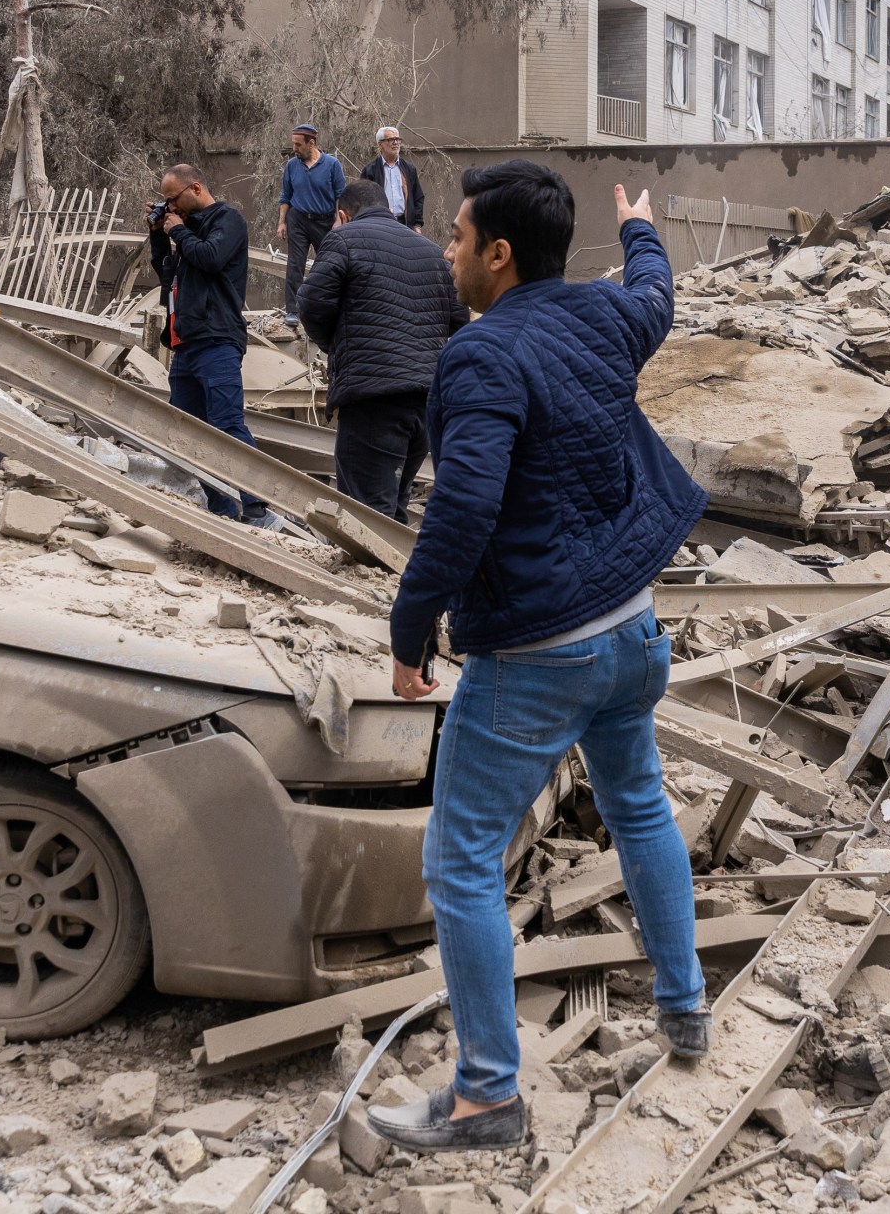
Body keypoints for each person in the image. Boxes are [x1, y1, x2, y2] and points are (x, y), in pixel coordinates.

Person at [367, 163, 709, 1155]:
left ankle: (486, 1098)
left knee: (461, 862)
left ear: (499, 255)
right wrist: (640, 229)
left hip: (541, 652)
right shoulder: (604, 316)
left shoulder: (480, 356)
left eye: (458, 236)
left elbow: (464, 507)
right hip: (634, 629)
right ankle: (685, 1009)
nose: (448, 251)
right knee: (640, 807)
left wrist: (408, 631)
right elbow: (655, 294)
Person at [296, 178, 464, 520]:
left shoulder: (343, 239)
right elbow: (459, 320)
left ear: (343, 215)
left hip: (373, 400)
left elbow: (311, 305)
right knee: (393, 511)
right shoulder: (433, 251)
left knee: (365, 517)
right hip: (425, 403)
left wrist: (338, 347)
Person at [149, 163, 281, 530]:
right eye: (165, 203)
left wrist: (178, 231)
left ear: (195, 188)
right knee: (187, 430)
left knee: (226, 423)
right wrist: (159, 234)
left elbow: (211, 257)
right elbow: (165, 273)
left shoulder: (228, 219)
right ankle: (222, 508)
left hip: (217, 339)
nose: (170, 207)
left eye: (173, 199)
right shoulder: (184, 228)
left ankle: (257, 508)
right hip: (185, 344)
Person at [277, 122, 346, 327]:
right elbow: (286, 196)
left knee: (328, 265)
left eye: (298, 145)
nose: (294, 149)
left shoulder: (332, 164)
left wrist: (338, 220)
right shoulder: (292, 165)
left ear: (311, 143)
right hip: (298, 219)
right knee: (295, 264)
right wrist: (282, 222)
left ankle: (327, 309)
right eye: (293, 144)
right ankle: (293, 310)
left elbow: (340, 195)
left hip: (324, 221)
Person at [360, 125, 425, 231]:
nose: (395, 143)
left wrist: (417, 224)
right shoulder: (370, 170)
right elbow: (364, 200)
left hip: (404, 224)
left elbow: (418, 197)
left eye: (397, 139)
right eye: (390, 139)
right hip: (380, 225)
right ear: (380, 144)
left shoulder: (409, 169)